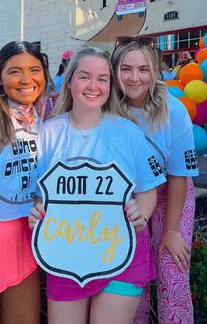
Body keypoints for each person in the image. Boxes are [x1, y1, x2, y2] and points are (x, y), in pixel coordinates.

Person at [29, 46, 166, 324]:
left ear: (110, 85)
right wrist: (37, 213)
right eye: (84, 76)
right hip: (65, 257)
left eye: (102, 78)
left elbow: (147, 189)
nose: (94, 86)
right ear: (69, 81)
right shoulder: (48, 133)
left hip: (121, 254)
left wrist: (141, 215)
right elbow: (40, 195)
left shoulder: (128, 131)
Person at [111, 40, 199, 324]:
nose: (134, 77)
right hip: (128, 199)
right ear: (114, 72)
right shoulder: (108, 109)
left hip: (171, 194)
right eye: (126, 69)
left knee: (172, 267)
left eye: (143, 69)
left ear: (154, 72)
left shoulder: (173, 110)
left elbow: (178, 176)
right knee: (132, 275)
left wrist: (172, 231)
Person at [0, 41, 48, 324]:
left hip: (24, 237)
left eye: (34, 70)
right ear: (0, 79)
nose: (27, 80)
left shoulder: (39, 119)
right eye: (15, 71)